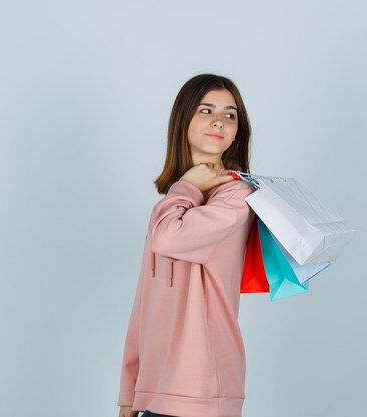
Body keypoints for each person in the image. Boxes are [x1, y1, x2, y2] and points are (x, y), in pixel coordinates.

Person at [117, 74, 257, 417]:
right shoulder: (174, 204)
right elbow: (144, 304)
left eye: (230, 114)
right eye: (206, 110)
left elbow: (168, 238)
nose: (219, 122)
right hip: (156, 391)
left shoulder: (237, 197)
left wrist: (185, 187)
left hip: (202, 391)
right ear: (184, 119)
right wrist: (129, 390)